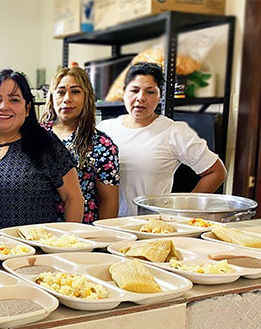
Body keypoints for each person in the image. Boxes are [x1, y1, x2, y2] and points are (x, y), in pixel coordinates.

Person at [0, 69, 84, 234]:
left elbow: (73, 198)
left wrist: (64, 244)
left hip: (31, 256)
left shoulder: (45, 144)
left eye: (14, 100)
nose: (3, 107)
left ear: (27, 108)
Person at [97, 62, 227, 217]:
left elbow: (216, 172)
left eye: (150, 92)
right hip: (105, 224)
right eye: (134, 90)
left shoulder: (174, 132)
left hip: (149, 227)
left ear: (160, 96)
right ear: (124, 93)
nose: (141, 98)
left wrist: (184, 212)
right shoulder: (105, 129)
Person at [40, 67, 120, 223]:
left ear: (87, 97)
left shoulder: (101, 145)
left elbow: (109, 201)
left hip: (80, 233)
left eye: (75, 92)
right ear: (52, 97)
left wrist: (101, 239)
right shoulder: (35, 136)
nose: (67, 99)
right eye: (61, 92)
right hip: (35, 229)